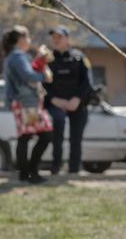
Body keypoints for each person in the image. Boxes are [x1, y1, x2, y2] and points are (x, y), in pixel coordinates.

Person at [2, 25, 53, 183]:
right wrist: (43, 75)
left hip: (21, 102)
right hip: (27, 102)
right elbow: (28, 75)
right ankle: (32, 172)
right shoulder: (18, 55)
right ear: (20, 39)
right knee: (45, 134)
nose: (30, 40)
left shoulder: (12, 56)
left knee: (25, 136)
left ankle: (25, 174)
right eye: (28, 37)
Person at [44, 26, 93, 175]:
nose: (56, 40)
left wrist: (77, 99)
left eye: (60, 37)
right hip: (56, 105)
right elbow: (42, 85)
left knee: (76, 139)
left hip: (77, 105)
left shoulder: (79, 57)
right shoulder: (47, 59)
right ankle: (56, 168)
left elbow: (87, 82)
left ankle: (74, 170)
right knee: (56, 137)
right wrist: (53, 100)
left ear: (67, 39)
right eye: (54, 37)